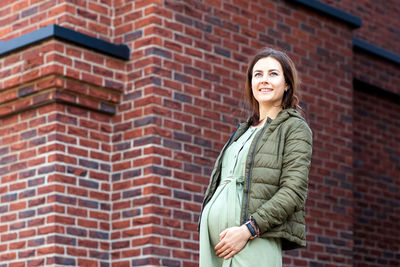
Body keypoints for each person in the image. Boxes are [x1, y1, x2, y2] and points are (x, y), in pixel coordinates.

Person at [198, 48, 313, 266]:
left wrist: (249, 229)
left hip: (253, 237)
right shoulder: (243, 131)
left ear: (287, 83)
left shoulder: (295, 128)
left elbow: (293, 191)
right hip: (214, 245)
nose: (264, 80)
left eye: (273, 74)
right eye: (258, 74)